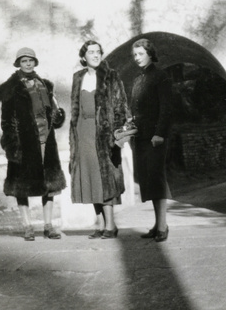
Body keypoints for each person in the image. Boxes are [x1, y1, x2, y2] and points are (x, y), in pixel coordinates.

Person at [0, 47, 66, 241]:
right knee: (21, 186)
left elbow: (54, 116)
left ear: (35, 62)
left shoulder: (46, 85)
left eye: (31, 60)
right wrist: (12, 146)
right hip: (22, 144)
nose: (28, 64)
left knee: (49, 185)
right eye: (24, 61)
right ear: (18, 64)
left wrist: (58, 117)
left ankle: (48, 226)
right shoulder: (11, 89)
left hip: (45, 141)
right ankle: (27, 226)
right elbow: (6, 120)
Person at [69, 40, 128, 239]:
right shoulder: (78, 77)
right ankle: (101, 224)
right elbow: (75, 108)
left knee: (105, 177)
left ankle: (111, 225)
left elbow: (120, 107)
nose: (95, 55)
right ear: (83, 56)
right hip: (82, 132)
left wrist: (115, 133)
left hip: (103, 132)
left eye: (98, 52)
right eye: (91, 52)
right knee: (91, 176)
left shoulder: (111, 77)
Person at [130, 38, 173, 242]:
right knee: (148, 180)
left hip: (155, 138)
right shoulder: (139, 79)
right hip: (141, 137)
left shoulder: (160, 76)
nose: (136, 58)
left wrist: (159, 134)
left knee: (156, 178)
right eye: (135, 55)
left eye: (140, 54)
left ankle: (163, 226)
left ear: (150, 53)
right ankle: (157, 225)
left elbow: (166, 109)